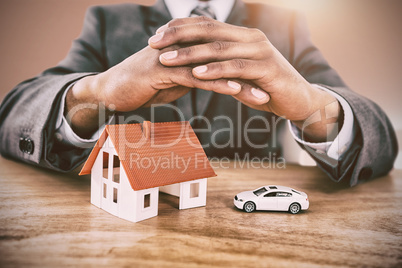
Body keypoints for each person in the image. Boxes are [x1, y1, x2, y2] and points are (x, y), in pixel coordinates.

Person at [0, 0, 397, 186]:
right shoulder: (108, 21)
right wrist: (97, 90)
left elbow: (378, 134)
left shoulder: (285, 24)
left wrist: (314, 106)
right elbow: (15, 114)